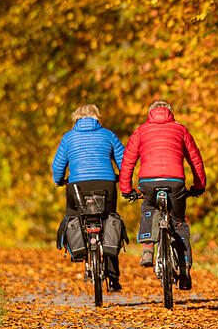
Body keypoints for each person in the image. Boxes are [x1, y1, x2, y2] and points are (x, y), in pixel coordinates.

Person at [119, 100, 206, 290]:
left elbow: (128, 162)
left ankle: (148, 249)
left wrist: (126, 189)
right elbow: (195, 159)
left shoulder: (140, 131)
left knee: (148, 207)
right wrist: (199, 186)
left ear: (149, 114)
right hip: (175, 181)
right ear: (171, 113)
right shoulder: (181, 130)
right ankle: (184, 267)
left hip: (148, 181)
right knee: (179, 222)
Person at [51, 104, 126, 292]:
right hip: (106, 184)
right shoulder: (108, 135)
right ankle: (113, 277)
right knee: (109, 221)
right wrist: (122, 179)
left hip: (77, 186)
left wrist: (59, 181)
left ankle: (81, 252)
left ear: (76, 118)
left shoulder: (68, 138)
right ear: (97, 117)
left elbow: (58, 166)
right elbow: (124, 162)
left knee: (74, 216)